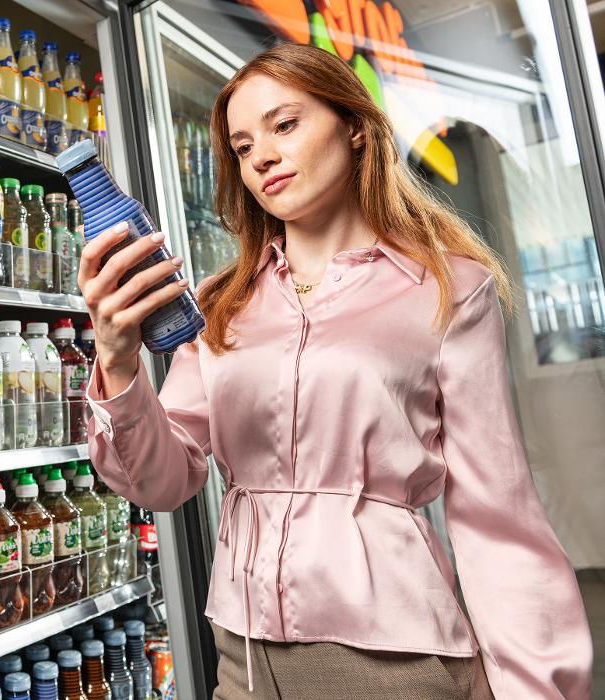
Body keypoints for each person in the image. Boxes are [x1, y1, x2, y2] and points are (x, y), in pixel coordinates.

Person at [79, 43, 592, 700]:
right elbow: (161, 481)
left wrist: (537, 688)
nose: (260, 155)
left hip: (389, 657)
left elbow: (498, 514)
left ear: (354, 127)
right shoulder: (218, 304)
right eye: (241, 146)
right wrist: (119, 363)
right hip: (241, 653)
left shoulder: (445, 288)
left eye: (284, 125)